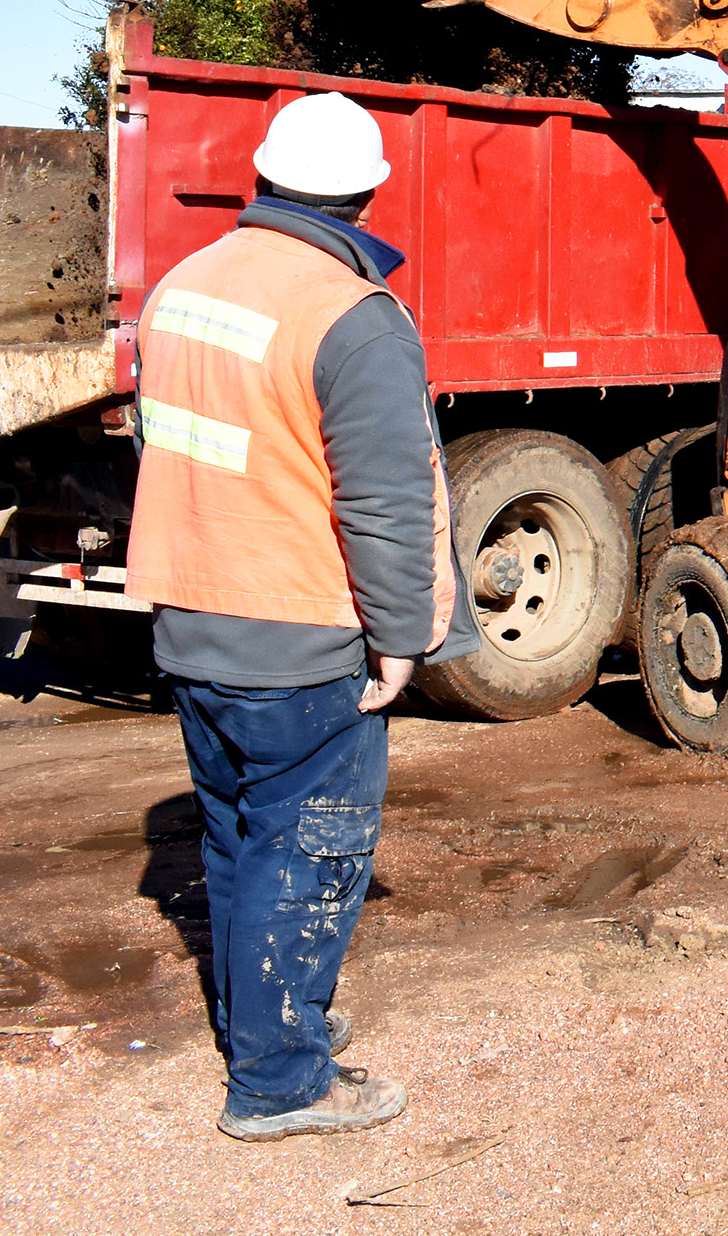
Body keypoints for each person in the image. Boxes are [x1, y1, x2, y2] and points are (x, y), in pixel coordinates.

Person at [127, 91, 473, 1142]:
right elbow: (385, 499)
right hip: (299, 629)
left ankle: (265, 1026)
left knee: (235, 842)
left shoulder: (184, 285)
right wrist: (403, 637)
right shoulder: (350, 312)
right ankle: (279, 1082)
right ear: (368, 191)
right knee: (309, 851)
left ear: (264, 177)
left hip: (195, 613)